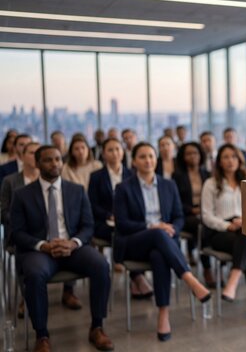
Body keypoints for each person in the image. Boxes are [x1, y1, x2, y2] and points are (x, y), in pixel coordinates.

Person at [11, 145, 114, 352]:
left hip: (72, 247)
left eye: (58, 159)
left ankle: (97, 327)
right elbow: (17, 233)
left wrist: (73, 242)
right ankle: (42, 335)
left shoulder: (76, 190)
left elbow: (88, 225)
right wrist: (43, 245)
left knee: (101, 265)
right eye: (49, 160)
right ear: (38, 163)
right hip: (40, 250)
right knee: (34, 273)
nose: (55, 163)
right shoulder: (22, 195)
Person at [113, 142, 210, 341]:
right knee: (158, 234)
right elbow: (122, 223)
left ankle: (163, 314)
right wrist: (153, 227)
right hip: (134, 242)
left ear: (156, 159)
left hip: (163, 241)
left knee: (159, 256)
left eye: (151, 156)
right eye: (142, 156)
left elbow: (178, 216)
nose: (148, 160)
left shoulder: (168, 185)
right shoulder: (123, 188)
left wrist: (172, 228)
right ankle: (189, 279)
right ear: (134, 161)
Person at [201, 143, 246, 326]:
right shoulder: (210, 183)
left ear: (239, 160)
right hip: (221, 232)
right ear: (219, 161)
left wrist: (245, 221)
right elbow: (207, 216)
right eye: (225, 157)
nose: (230, 160)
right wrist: (227, 225)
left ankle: (235, 278)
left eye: (233, 156)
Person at [88, 137, 153, 299]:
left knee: (130, 230)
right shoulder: (96, 176)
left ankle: (135, 277)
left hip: (127, 222)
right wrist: (109, 214)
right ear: (103, 154)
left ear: (123, 152)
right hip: (104, 222)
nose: (115, 153)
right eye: (110, 150)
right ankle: (137, 276)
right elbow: (92, 204)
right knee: (126, 232)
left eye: (118, 149)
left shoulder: (132, 174)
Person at [0, 141, 40, 319]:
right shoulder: (10, 181)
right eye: (31, 153)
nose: (36, 156)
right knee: (22, 248)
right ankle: (26, 297)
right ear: (22, 156)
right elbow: (4, 212)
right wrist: (23, 222)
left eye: (39, 153)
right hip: (20, 232)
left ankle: (68, 291)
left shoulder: (49, 178)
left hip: (46, 232)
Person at [171, 142, 209, 269]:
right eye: (188, 154)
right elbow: (174, 202)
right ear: (183, 157)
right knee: (201, 226)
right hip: (186, 215)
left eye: (195, 153)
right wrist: (193, 210)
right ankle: (207, 267)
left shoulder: (207, 174)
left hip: (206, 212)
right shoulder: (177, 176)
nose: (193, 156)